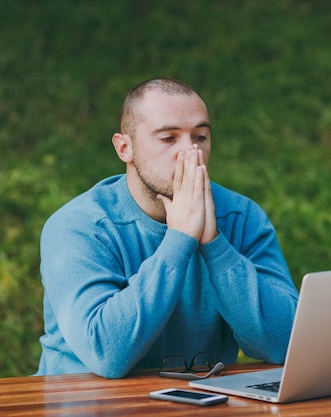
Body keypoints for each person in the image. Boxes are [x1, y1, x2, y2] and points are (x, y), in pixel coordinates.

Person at [36, 78, 298, 378]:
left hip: (200, 402)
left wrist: (214, 243)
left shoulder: (241, 217)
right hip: (89, 404)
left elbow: (286, 343)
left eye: (200, 137)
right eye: (168, 138)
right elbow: (106, 354)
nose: (190, 152)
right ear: (125, 148)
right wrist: (179, 240)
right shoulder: (79, 226)